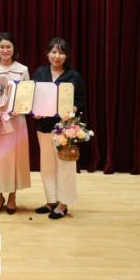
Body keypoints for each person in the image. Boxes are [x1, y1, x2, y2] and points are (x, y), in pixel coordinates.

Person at [33, 37, 85, 220]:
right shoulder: (40, 72)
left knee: (65, 167)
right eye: (53, 52)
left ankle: (63, 204)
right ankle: (51, 201)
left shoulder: (74, 76)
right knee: (47, 166)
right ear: (47, 54)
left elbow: (80, 101)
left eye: (61, 52)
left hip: (64, 129)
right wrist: (35, 111)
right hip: (43, 126)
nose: (57, 56)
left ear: (66, 56)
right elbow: (34, 97)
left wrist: (72, 110)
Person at [0, 32, 31, 215]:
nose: (5, 50)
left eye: (8, 46)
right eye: (2, 47)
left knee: (14, 158)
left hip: (16, 121)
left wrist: (20, 108)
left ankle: (12, 197)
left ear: (14, 48)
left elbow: (27, 94)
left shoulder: (22, 70)